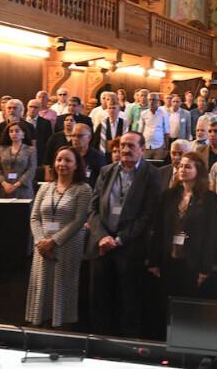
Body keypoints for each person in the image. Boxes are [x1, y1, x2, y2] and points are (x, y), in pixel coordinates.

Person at [87, 131, 162, 338]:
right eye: (122, 145)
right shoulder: (106, 171)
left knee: (129, 304)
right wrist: (102, 236)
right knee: (100, 302)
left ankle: (127, 348)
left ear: (142, 149)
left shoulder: (152, 174)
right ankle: (99, 346)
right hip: (101, 247)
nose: (125, 150)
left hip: (130, 249)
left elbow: (148, 215)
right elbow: (93, 209)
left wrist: (119, 240)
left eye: (131, 146)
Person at [148, 152, 217, 328]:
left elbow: (211, 235)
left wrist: (205, 268)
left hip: (192, 261)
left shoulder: (209, 198)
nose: (182, 169)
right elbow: (159, 229)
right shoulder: (169, 195)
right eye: (181, 166)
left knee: (187, 309)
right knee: (165, 306)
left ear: (198, 170)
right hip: (168, 259)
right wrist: (153, 260)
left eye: (188, 167)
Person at [25, 146, 92, 328]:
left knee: (63, 284)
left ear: (76, 165)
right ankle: (41, 320)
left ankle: (62, 322)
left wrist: (53, 242)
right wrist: (40, 242)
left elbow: (80, 220)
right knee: (42, 283)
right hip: (42, 247)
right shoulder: (45, 187)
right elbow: (34, 217)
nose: (62, 164)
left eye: (68, 160)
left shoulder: (83, 189)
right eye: (59, 159)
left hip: (68, 245)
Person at [0, 121, 38, 199]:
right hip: (2, 189)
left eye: (17, 131)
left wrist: (16, 185)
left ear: (23, 134)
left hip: (23, 189)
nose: (14, 133)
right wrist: (4, 184)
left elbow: (31, 170)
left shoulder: (30, 150)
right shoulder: (1, 149)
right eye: (11, 131)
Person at [25, 100, 54, 172]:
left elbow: (48, 143)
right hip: (23, 156)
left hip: (39, 157)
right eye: (31, 107)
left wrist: (46, 161)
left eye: (35, 107)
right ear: (27, 107)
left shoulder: (46, 123)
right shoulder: (21, 122)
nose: (33, 109)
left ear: (40, 109)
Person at [44, 114, 75, 179]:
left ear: (76, 123)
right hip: (56, 169)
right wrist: (47, 173)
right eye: (66, 120)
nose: (68, 122)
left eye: (71, 120)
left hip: (72, 171)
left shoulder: (76, 138)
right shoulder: (55, 137)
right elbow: (47, 157)